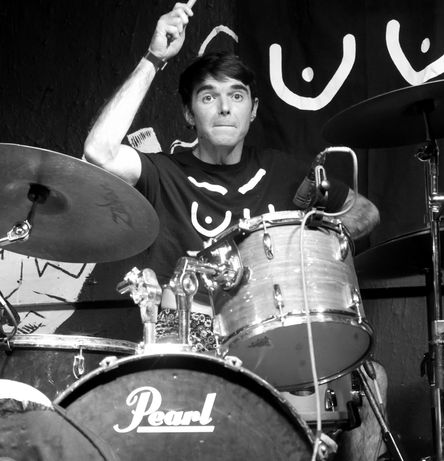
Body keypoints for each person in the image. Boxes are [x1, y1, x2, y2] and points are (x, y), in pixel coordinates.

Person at [84, 3, 389, 459]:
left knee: (370, 379)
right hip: (189, 340)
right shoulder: (163, 172)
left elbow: (365, 212)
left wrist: (313, 234)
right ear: (189, 113)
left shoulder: (288, 174)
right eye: (208, 97)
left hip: (276, 338)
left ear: (253, 109)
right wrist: (153, 58)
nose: (225, 107)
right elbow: (98, 151)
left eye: (237, 96)